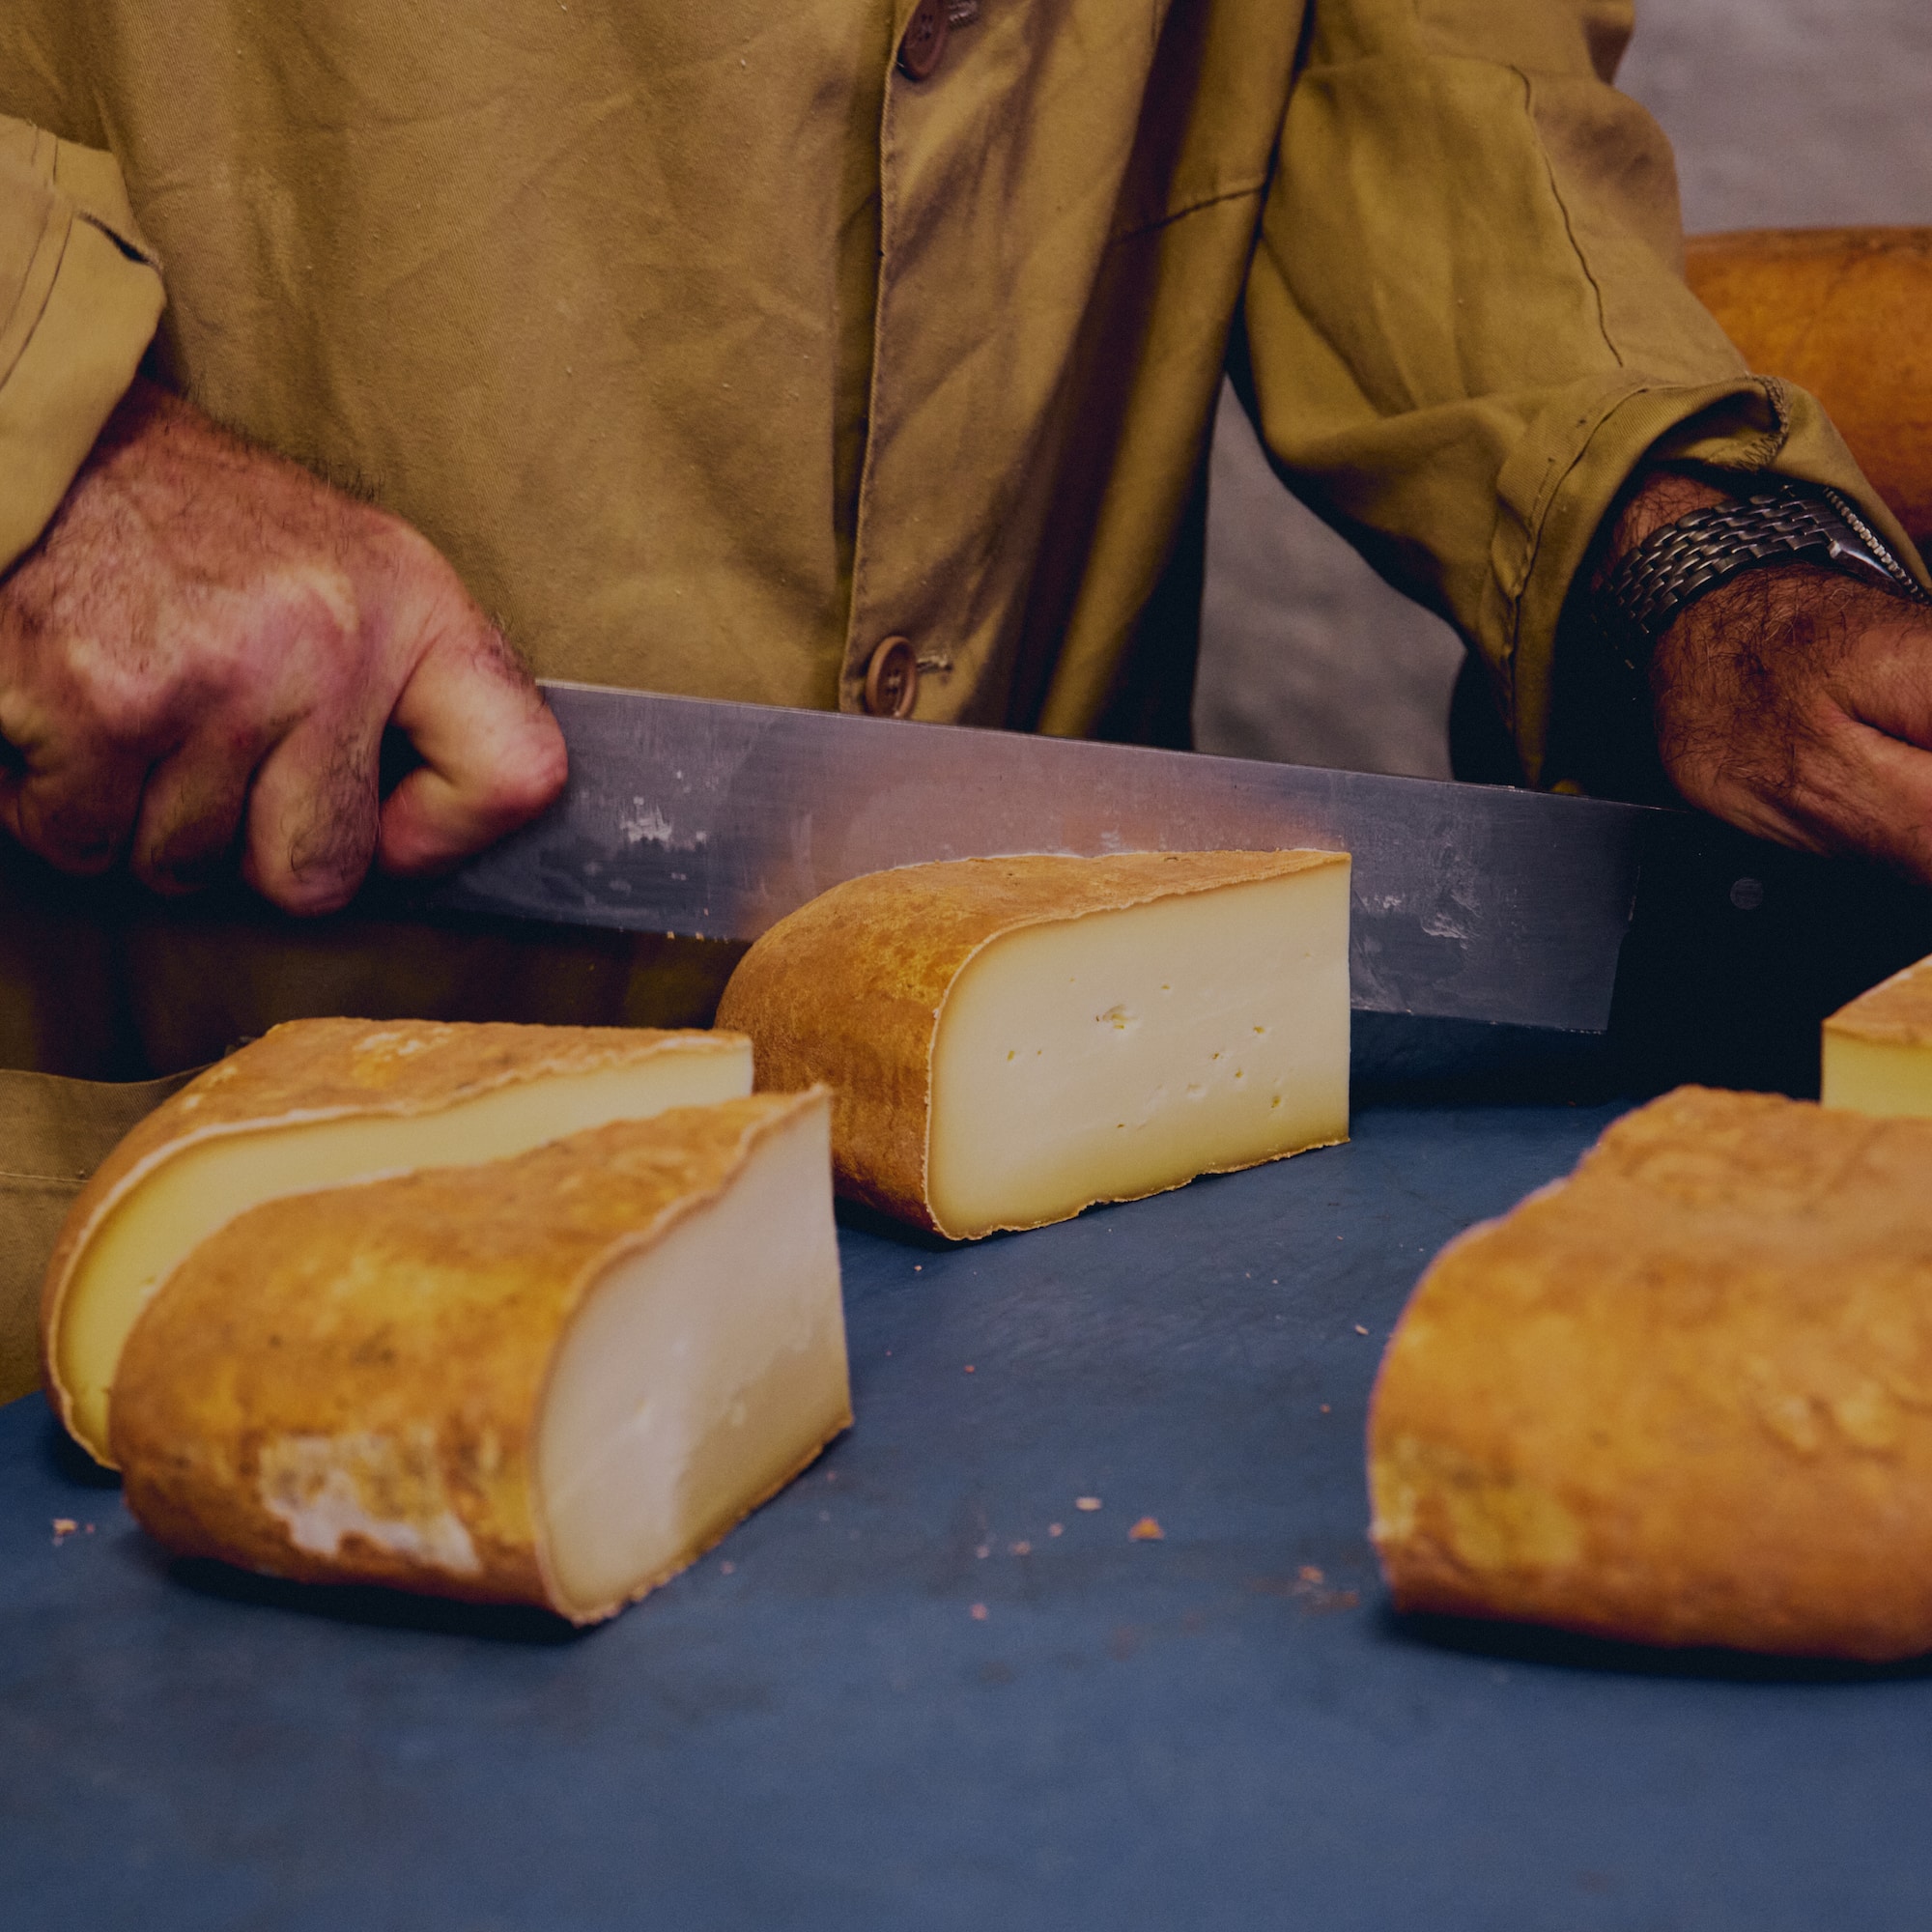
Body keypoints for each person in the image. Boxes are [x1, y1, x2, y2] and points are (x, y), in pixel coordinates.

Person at [0, 3, 1926, 1377]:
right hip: (146, 1068)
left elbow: (1430, 73)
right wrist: (50, 446)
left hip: (968, 1287)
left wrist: (1699, 558)